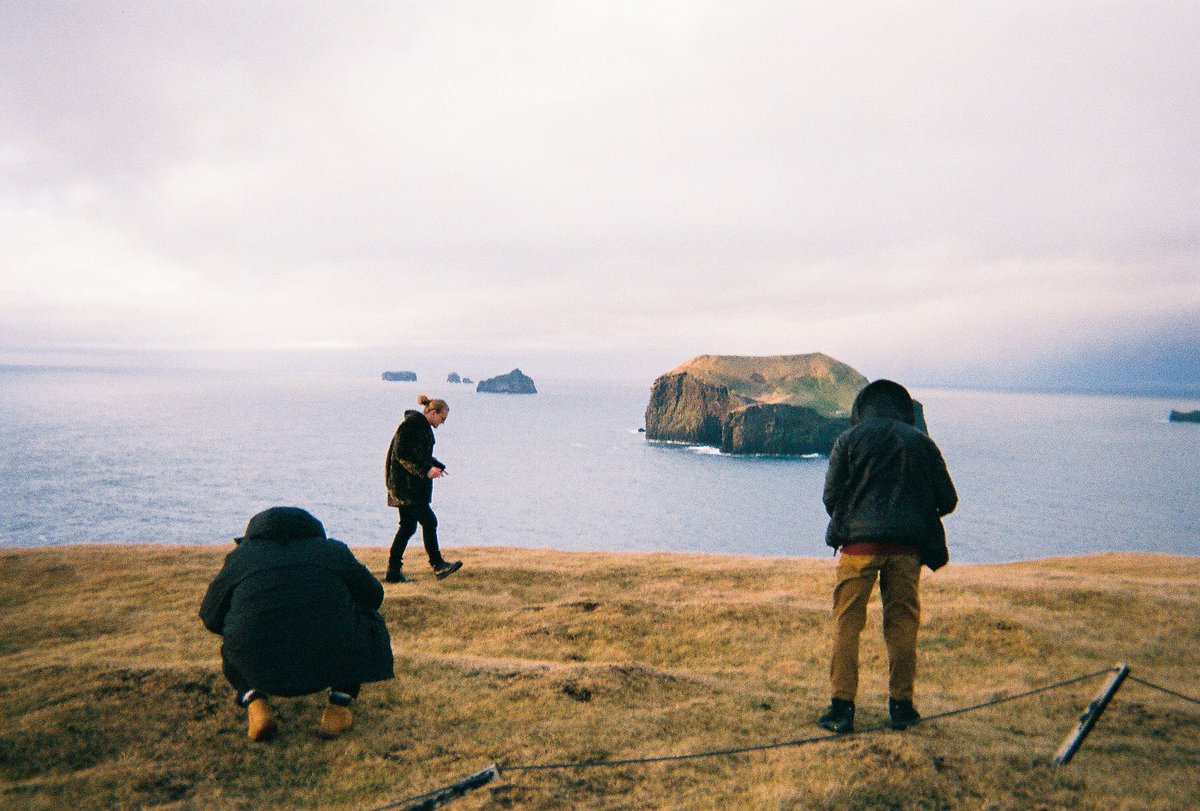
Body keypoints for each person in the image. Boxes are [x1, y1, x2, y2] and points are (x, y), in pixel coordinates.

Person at [818, 380, 957, 734]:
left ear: (863, 409)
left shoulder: (848, 440)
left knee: (847, 624)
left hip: (857, 547)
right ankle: (902, 707)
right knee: (902, 625)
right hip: (906, 549)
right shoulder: (922, 443)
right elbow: (948, 500)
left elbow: (830, 496)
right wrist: (913, 514)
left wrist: (855, 518)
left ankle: (842, 708)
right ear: (903, 409)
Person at [200, 507, 394, 742]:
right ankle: (339, 705)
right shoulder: (333, 552)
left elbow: (210, 617)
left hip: (258, 665)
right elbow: (373, 597)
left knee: (234, 640)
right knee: (365, 623)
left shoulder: (241, 557)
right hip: (328, 661)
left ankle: (254, 701)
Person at [384, 394, 462, 582]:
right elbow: (403, 455)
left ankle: (394, 571)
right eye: (442, 418)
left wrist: (436, 465)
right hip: (407, 488)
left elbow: (419, 455)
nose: (442, 423)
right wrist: (426, 470)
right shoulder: (412, 426)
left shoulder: (419, 426)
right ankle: (438, 565)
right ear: (433, 413)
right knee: (428, 522)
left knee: (408, 527)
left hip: (407, 487)